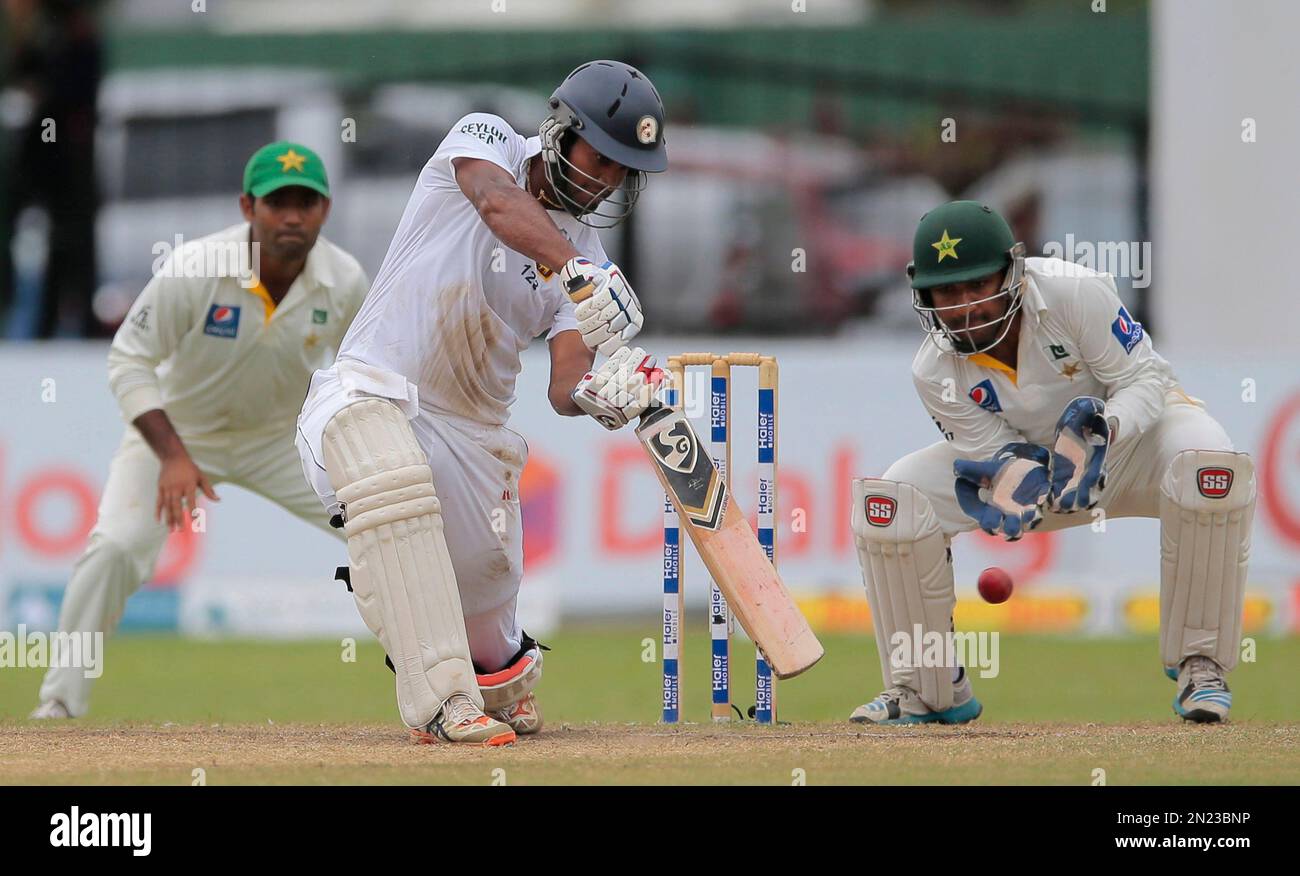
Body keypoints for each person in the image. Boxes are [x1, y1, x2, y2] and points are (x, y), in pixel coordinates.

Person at [295, 60, 670, 746]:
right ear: (561, 132)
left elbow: (564, 383)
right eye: (603, 157)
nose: (609, 179)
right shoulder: (487, 140)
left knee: (488, 601)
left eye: (625, 170)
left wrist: (600, 395)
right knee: (389, 475)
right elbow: (497, 202)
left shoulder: (583, 257)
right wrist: (577, 268)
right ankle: (441, 702)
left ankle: (498, 688)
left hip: (472, 436)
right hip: (368, 389)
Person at [850, 200, 1254, 725]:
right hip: (1039, 468)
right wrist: (1013, 478)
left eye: (979, 285)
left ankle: (1202, 666)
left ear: (1014, 273)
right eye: (948, 292)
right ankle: (925, 688)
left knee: (1210, 466)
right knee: (894, 498)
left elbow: (1144, 378)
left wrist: (1102, 431)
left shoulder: (1073, 292)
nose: (967, 305)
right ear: (923, 295)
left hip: (1132, 444)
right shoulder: (933, 369)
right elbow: (995, 449)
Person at [31, 141, 369, 718]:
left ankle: (450, 689)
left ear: (325, 210)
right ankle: (61, 702)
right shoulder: (193, 269)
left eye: (305, 202)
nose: (292, 216)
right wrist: (171, 455)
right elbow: (129, 360)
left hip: (284, 441)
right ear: (247, 206)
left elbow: (365, 370)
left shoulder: (345, 281)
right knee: (115, 547)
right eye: (277, 202)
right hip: (177, 435)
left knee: (383, 530)